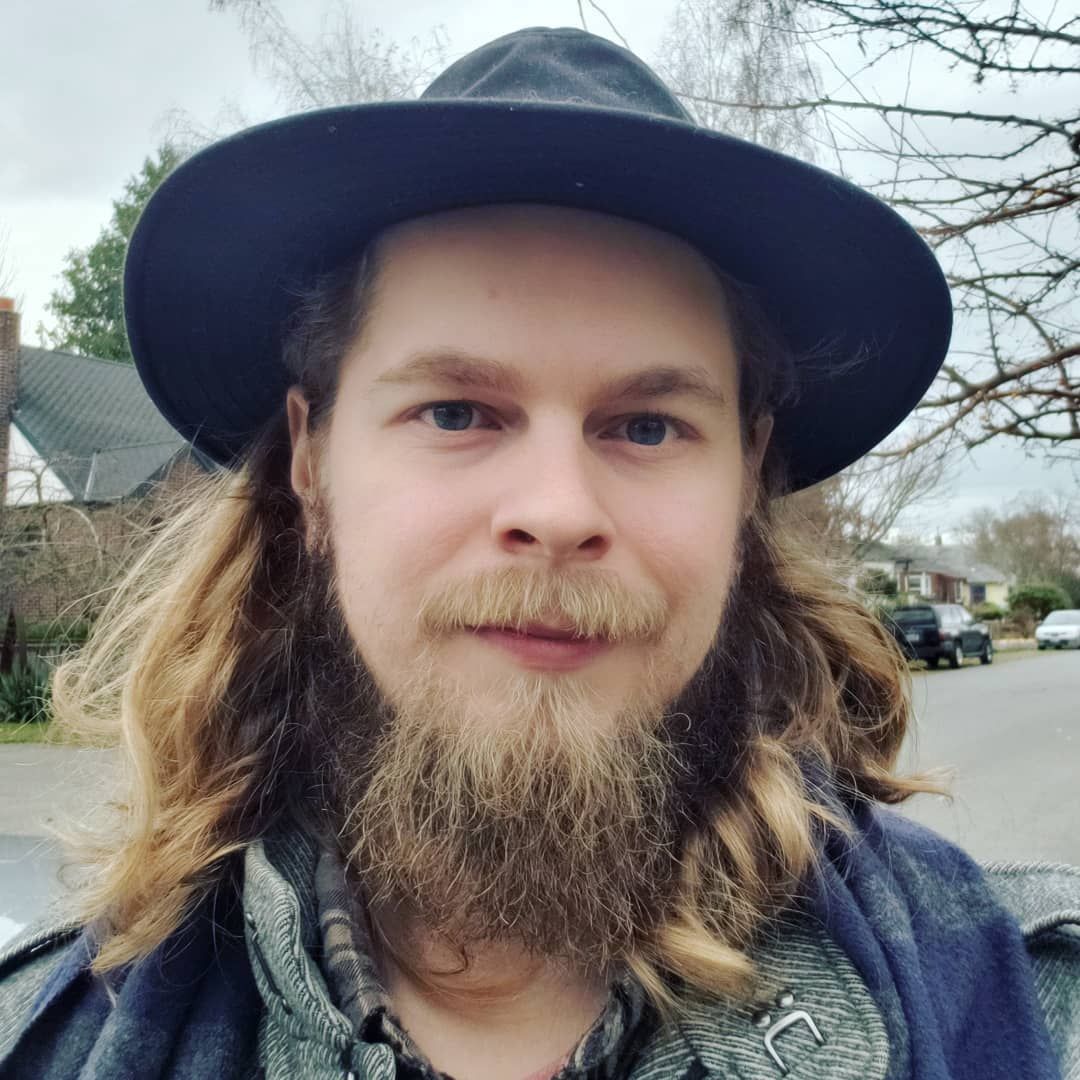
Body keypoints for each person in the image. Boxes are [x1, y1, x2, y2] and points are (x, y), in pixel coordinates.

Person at [0, 26, 1076, 1080]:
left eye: (647, 426)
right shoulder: (42, 1037)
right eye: (456, 411)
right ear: (311, 462)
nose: (559, 511)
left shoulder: (1020, 1002)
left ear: (746, 481)